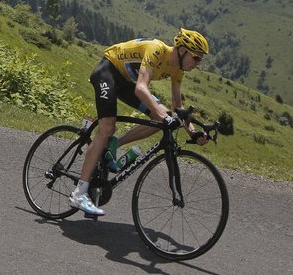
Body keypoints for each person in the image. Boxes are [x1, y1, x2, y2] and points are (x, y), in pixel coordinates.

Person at [68, 28, 210, 217]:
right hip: (108, 71)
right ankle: (79, 193)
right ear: (182, 50)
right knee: (107, 127)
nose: (197, 63)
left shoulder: (178, 70)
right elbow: (141, 88)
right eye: (196, 57)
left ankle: (115, 144)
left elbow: (178, 107)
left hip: (126, 82)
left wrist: (193, 132)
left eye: (200, 59)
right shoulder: (157, 49)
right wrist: (165, 115)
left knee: (162, 117)